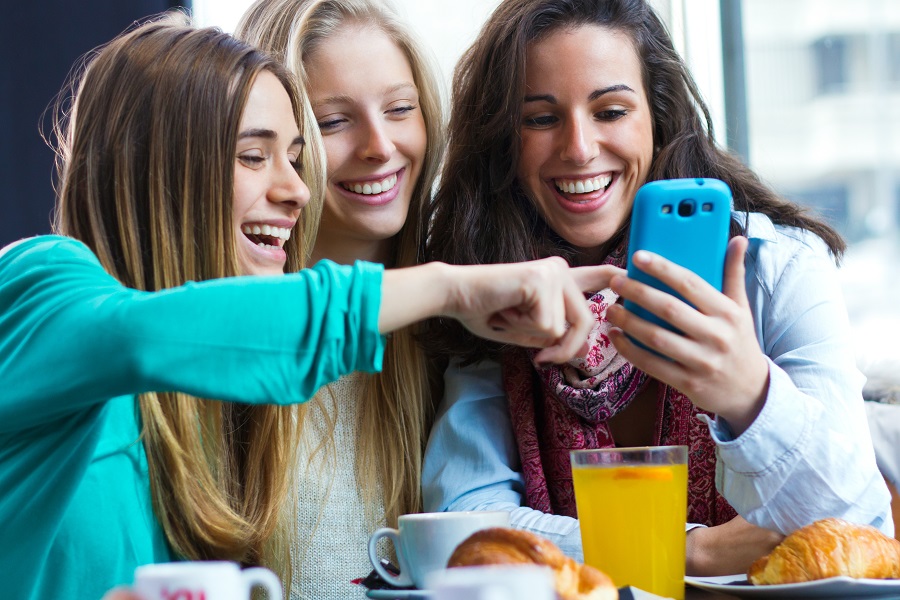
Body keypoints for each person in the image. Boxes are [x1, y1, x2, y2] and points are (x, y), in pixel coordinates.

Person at [0, 13, 621, 600]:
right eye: (253, 155)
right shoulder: (38, 283)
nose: (297, 189)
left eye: (296, 158)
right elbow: (144, 336)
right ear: (153, 170)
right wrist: (450, 287)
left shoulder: (193, 404)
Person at [420, 0, 894, 577]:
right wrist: (682, 549)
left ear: (658, 116)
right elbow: (461, 522)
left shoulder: (777, 266)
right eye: (540, 119)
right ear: (503, 144)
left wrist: (750, 394)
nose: (579, 148)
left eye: (612, 110)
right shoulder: (500, 285)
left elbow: (859, 528)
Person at [236, 0, 444, 596]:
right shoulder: (221, 337)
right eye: (333, 122)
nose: (381, 145)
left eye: (400, 109)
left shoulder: (453, 332)